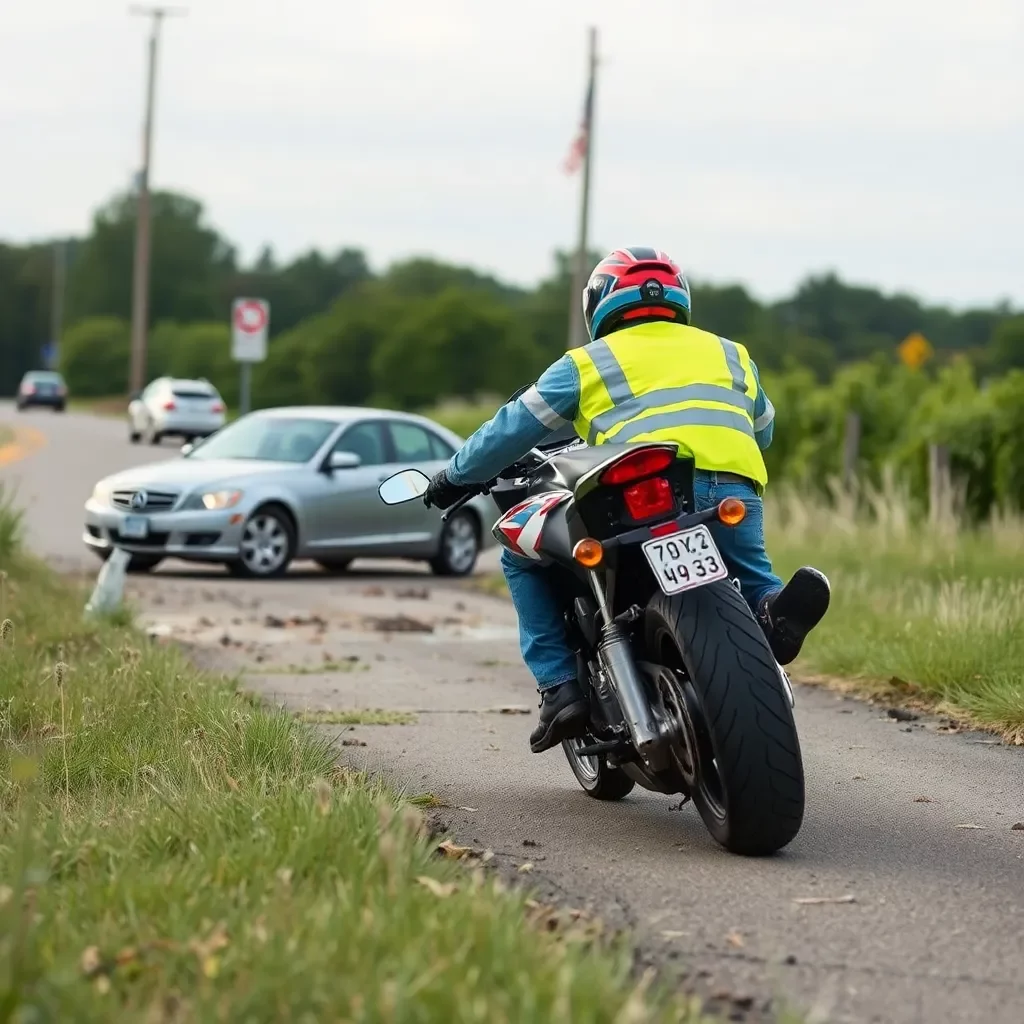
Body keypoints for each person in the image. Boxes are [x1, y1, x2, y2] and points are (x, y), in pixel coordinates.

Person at [424, 247, 831, 753]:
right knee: (750, 573)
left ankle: (559, 687)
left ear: (600, 304)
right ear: (679, 298)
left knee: (521, 557)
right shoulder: (732, 353)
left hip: (636, 492)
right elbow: (764, 429)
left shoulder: (587, 362)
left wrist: (454, 476)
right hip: (730, 489)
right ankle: (773, 610)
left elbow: (512, 428)